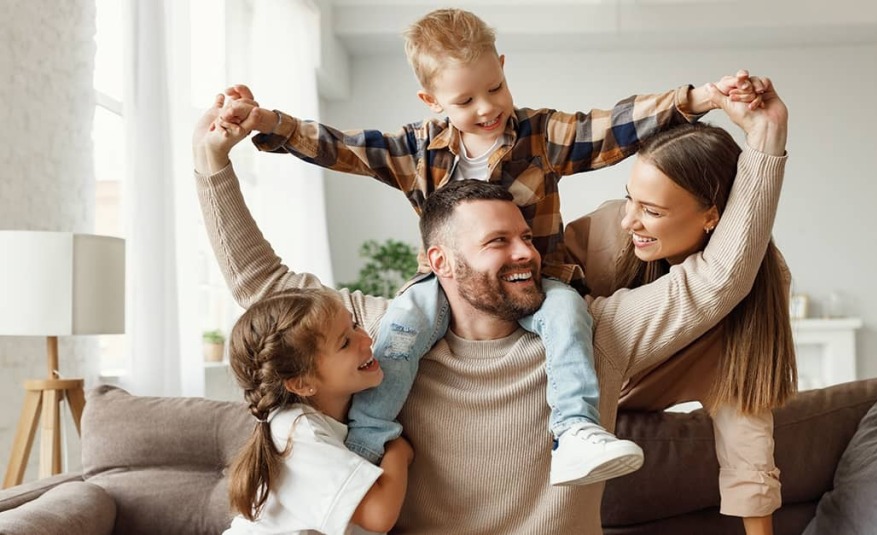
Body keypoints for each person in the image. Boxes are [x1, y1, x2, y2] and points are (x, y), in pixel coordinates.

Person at [194, 71, 788, 533]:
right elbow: (263, 286)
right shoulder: (384, 341)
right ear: (440, 264)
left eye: (526, 237)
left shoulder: (592, 333)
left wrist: (766, 136)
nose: (526, 253)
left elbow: (720, 278)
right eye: (497, 242)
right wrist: (212, 162)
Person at [564, 121, 797, 535]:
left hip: (631, 412)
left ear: (712, 216)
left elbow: (745, 414)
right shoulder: (602, 234)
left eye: (651, 212)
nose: (628, 221)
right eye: (629, 200)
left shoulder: (758, 286)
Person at [222, 286, 415, 535]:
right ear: (302, 384)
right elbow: (378, 515)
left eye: (355, 325)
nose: (367, 339)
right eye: (345, 343)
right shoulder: (294, 430)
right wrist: (397, 450)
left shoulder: (354, 412)